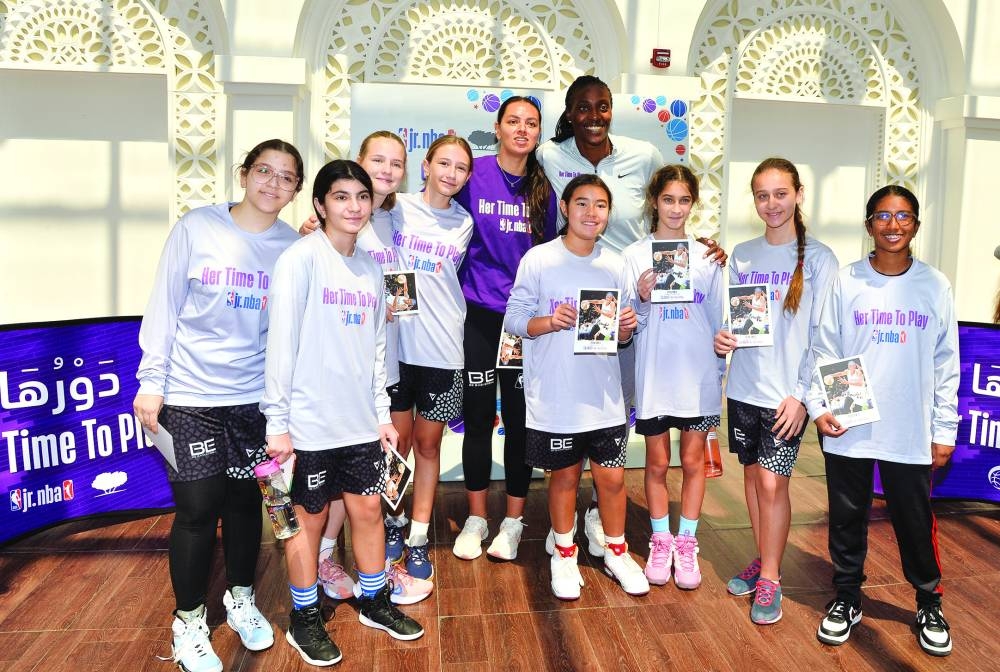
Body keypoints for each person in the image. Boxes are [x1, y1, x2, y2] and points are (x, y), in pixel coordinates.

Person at [537, 75, 726, 555]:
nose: (594, 116)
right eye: (583, 107)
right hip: (582, 292)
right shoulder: (550, 155)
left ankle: (604, 512)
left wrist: (703, 248)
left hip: (632, 307)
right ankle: (562, 522)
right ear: (570, 112)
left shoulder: (642, 155)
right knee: (578, 403)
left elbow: (674, 201)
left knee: (616, 410)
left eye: (602, 107)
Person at [134, 139, 303, 672]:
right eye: (264, 172)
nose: (273, 184)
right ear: (244, 174)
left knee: (242, 505)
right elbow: (163, 304)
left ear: (298, 190)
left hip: (252, 401)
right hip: (189, 396)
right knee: (198, 509)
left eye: (286, 178)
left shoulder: (290, 248)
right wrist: (150, 381)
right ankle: (188, 620)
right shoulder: (196, 227)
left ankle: (241, 597)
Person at [261, 160, 424, 667]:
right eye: (341, 197)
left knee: (369, 512)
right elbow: (280, 347)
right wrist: (278, 424)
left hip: (359, 424)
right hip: (307, 426)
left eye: (361, 197)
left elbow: (378, 349)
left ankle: (374, 600)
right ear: (320, 205)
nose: (354, 206)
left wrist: (380, 415)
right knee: (306, 525)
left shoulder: (372, 267)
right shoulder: (299, 260)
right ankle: (304, 617)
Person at [808, 185, 959, 657]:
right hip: (852, 422)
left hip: (909, 428)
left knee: (914, 520)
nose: (893, 225)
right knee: (847, 518)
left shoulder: (934, 285)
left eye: (903, 216)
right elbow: (824, 347)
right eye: (883, 215)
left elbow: (945, 363)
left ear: (915, 224)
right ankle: (847, 596)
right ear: (869, 223)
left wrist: (944, 429)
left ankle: (928, 601)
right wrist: (821, 405)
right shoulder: (846, 280)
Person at [299, 131, 432, 606]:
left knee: (373, 474)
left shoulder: (398, 215)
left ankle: (372, 561)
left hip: (385, 363)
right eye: (378, 160)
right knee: (337, 481)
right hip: (336, 378)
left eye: (397, 163)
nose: (388, 170)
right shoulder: (327, 227)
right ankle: (326, 559)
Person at [505, 174, 648, 600]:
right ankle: (564, 553)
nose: (591, 212)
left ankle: (616, 551)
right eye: (582, 203)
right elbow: (514, 318)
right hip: (555, 396)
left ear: (609, 213)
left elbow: (621, 335)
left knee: (613, 480)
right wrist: (549, 322)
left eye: (600, 205)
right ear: (565, 208)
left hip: (603, 398)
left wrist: (626, 327)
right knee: (564, 478)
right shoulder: (539, 260)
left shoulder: (616, 263)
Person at [713, 157, 839, 625]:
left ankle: (771, 578)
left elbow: (823, 335)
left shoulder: (821, 259)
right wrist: (725, 337)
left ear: (799, 195)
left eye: (780, 193)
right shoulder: (743, 254)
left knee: (773, 483)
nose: (771, 204)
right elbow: (738, 320)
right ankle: (763, 556)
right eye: (762, 195)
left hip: (788, 397)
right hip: (743, 386)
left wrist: (803, 396)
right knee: (750, 478)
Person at [451, 96, 558, 562]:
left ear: (538, 133)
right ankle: (477, 518)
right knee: (477, 418)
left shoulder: (545, 188)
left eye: (530, 124)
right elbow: (427, 215)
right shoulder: (472, 176)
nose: (521, 129)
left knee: (518, 421)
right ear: (497, 127)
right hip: (476, 315)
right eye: (512, 121)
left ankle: (513, 521)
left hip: (520, 323)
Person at [622, 164, 724, 590]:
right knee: (659, 463)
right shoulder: (633, 256)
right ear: (654, 201)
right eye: (668, 200)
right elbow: (626, 324)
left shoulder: (708, 256)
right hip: (654, 377)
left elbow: (719, 319)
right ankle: (660, 539)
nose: (676, 208)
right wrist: (642, 300)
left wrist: (718, 369)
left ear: (693, 203)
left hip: (697, 378)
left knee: (694, 462)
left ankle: (687, 541)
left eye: (684, 200)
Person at [389, 135, 475, 580]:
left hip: (443, 349)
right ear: (425, 165)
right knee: (396, 446)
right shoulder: (393, 207)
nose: (451, 174)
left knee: (427, 445)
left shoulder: (464, 221)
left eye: (461, 168)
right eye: (444, 163)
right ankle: (393, 521)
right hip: (396, 348)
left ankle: (418, 537)